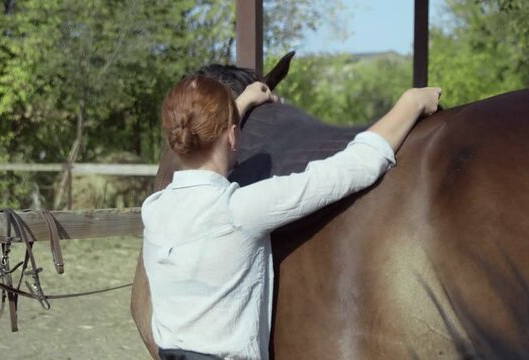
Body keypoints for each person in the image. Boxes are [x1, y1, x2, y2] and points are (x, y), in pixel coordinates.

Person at [142, 75, 441, 360]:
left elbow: (206, 164)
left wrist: (241, 103)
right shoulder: (241, 210)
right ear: (233, 135)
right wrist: (411, 102)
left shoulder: (154, 209)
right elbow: (352, 168)